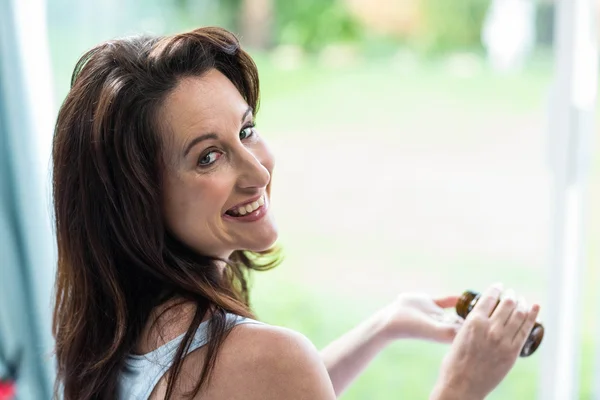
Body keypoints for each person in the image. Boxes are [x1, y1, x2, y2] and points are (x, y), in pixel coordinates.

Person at [51, 26, 541, 400]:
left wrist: (384, 325)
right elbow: (273, 377)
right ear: (139, 199)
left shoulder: (112, 337)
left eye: (246, 131)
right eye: (208, 156)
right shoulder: (262, 359)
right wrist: (462, 385)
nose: (259, 174)